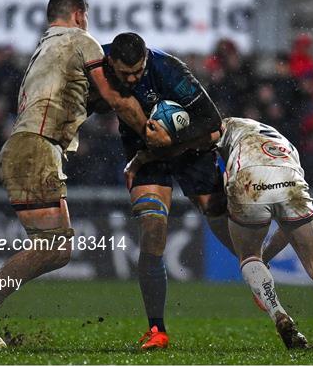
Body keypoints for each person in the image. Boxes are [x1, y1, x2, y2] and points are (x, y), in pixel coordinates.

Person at [0, 0, 152, 347]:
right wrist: (150, 132)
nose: (87, 24)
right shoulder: (81, 40)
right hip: (35, 148)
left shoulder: (45, 48)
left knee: (57, 248)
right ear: (78, 15)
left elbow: (88, 100)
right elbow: (114, 98)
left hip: (30, 146)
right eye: (86, 17)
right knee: (54, 247)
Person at [125, 117, 313, 350]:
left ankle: (278, 313)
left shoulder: (224, 124)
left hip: (249, 178)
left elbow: (190, 143)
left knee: (248, 256)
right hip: (289, 178)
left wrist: (143, 157)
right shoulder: (284, 144)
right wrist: (267, 258)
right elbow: (285, 229)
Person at [94, 33, 236, 349]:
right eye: (125, 73)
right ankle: (156, 329)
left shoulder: (170, 69)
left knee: (214, 209)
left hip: (190, 146)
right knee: (153, 227)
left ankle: (253, 267)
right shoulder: (95, 61)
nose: (131, 78)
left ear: (146, 58)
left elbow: (212, 121)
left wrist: (172, 142)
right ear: (112, 62)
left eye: (138, 71)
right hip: (142, 148)